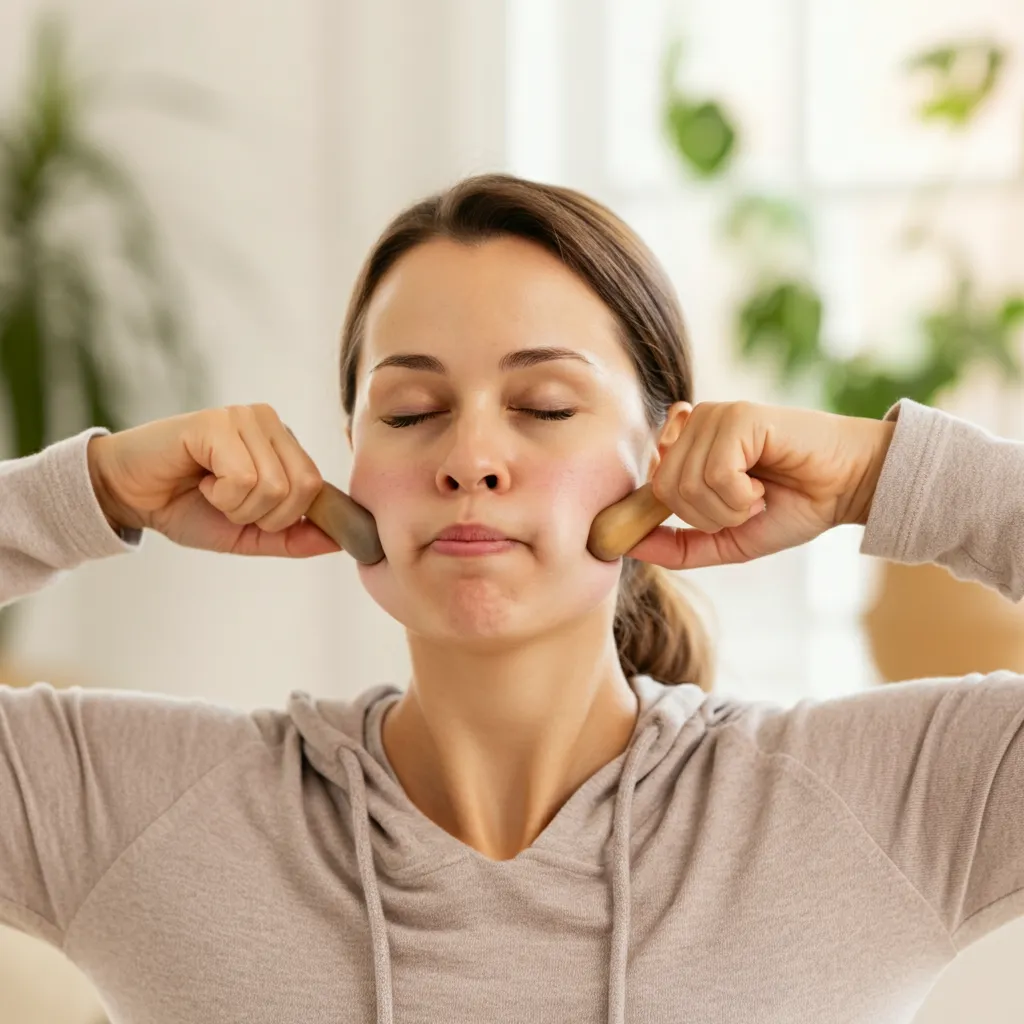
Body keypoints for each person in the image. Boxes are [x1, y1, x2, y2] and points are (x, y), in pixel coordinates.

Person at [1, 173, 1022, 1024]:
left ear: (663, 455)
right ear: (348, 465)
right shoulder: (143, 811)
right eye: (409, 410)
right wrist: (90, 492)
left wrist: (878, 475)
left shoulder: (877, 807)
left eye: (542, 405)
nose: (470, 457)